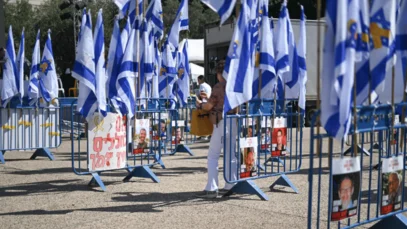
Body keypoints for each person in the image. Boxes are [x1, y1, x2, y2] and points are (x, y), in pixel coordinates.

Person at [195, 60, 238, 199]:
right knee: (230, 153)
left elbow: (209, 106)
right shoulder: (235, 85)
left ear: (220, 73)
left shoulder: (219, 86)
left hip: (221, 121)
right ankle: (231, 183)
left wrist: (201, 104)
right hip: (233, 120)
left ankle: (212, 186)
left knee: (213, 155)